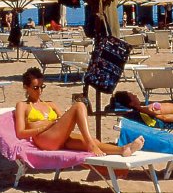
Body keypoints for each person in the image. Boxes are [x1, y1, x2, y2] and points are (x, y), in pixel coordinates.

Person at [15, 67, 144, 156]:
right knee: (79, 105)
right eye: (35, 88)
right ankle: (90, 144)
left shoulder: (50, 104)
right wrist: (45, 126)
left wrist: (65, 119)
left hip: (59, 137)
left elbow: (65, 124)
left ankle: (123, 149)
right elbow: (21, 133)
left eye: (42, 87)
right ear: (26, 87)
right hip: (44, 139)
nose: (40, 91)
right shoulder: (23, 105)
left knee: (93, 141)